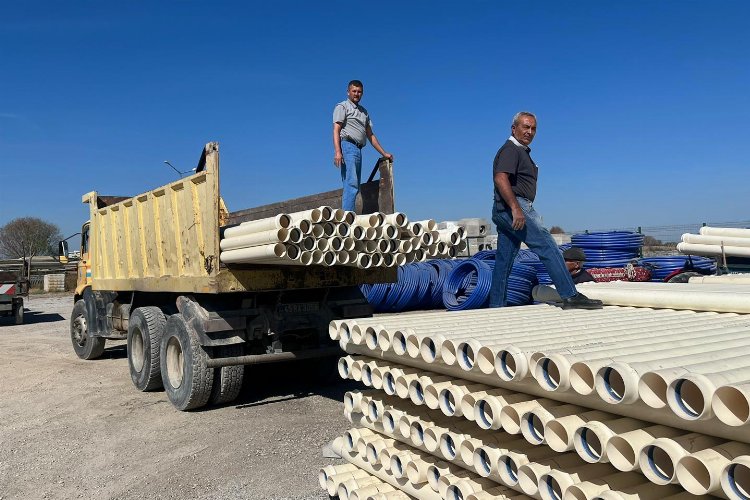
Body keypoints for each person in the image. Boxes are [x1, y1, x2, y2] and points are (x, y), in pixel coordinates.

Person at [488, 111, 602, 309]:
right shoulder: (511, 150)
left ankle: (496, 306)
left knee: (504, 262)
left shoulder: (521, 151)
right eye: (525, 127)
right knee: (547, 246)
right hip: (513, 207)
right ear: (514, 128)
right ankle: (570, 295)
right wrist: (516, 208)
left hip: (505, 209)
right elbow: (500, 178)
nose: (530, 132)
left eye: (533, 128)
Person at [333, 80, 394, 212]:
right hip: (347, 146)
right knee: (351, 183)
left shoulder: (364, 112)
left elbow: (371, 135)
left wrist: (384, 153)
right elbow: (336, 129)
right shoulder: (342, 107)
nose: (356, 94)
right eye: (354, 91)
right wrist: (338, 151)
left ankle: (349, 215)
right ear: (348, 92)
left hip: (358, 149)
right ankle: (347, 219)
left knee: (356, 186)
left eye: (359, 92)